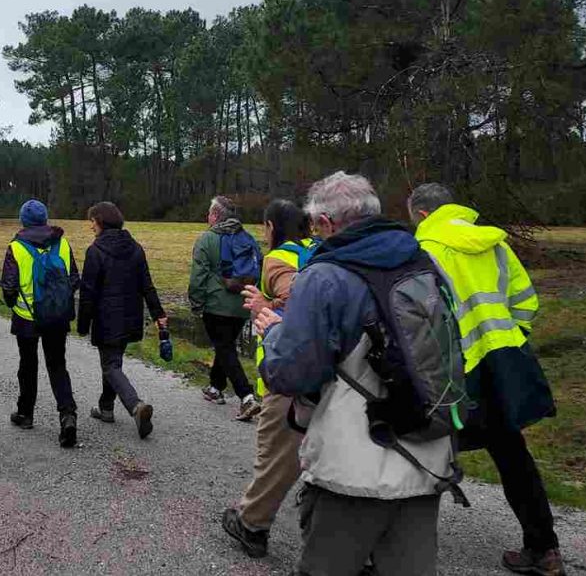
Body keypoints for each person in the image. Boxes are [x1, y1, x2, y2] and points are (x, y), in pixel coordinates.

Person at [257, 171, 455, 576]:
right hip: (426, 449)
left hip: (354, 465)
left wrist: (273, 333)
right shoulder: (425, 262)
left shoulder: (324, 277)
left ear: (326, 224)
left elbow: (291, 374)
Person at [409, 183, 562, 576]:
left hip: (459, 371)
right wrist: (512, 339)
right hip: (504, 360)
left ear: (423, 216)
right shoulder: (493, 243)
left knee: (424, 450)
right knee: (512, 453)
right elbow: (525, 299)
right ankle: (544, 549)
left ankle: (396, 550)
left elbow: (425, 319)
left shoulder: (426, 250)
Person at [221, 199, 315, 558]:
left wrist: (265, 306)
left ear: (271, 227)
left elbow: (297, 303)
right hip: (328, 373)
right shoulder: (320, 249)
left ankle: (252, 525)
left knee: (275, 454)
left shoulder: (279, 258)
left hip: (287, 371)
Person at [77, 201, 167, 440]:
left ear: (101, 222)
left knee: (110, 365)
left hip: (107, 320)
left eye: (92, 222)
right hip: (130, 318)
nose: (91, 227)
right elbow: (147, 285)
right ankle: (106, 408)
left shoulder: (95, 251)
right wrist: (159, 314)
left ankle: (136, 406)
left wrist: (82, 324)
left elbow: (88, 292)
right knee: (113, 362)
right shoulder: (135, 248)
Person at [1, 199, 79, 448]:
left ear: (22, 220)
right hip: (57, 317)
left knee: (28, 365)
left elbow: (9, 287)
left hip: (27, 319)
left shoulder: (16, 247)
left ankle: (25, 413)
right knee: (58, 366)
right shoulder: (63, 244)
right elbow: (74, 279)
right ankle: (67, 415)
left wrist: (15, 304)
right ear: (45, 219)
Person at [188, 195, 262, 421]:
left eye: (209, 213)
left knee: (225, 348)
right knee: (225, 346)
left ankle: (246, 396)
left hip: (216, 304)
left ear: (216, 216)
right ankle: (215, 387)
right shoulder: (248, 238)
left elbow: (198, 275)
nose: (206, 217)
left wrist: (196, 303)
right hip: (242, 304)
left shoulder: (207, 240)